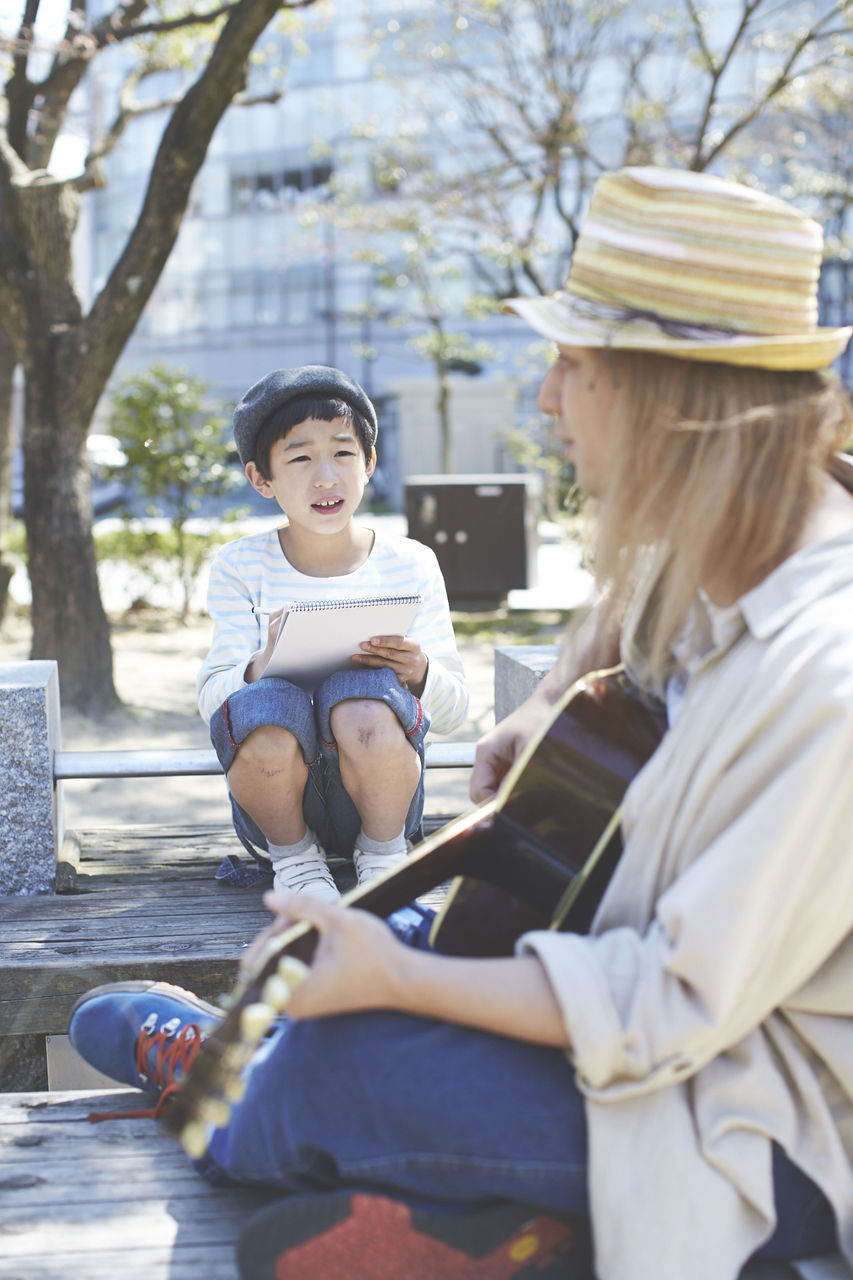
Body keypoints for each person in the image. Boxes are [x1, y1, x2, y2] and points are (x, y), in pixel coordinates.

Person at [70, 168, 853, 1280]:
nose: (543, 397)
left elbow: (665, 1007)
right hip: (625, 1001)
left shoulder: (826, 677)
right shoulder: (764, 523)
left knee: (334, 1063)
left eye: (572, 365)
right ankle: (477, 1204)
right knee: (381, 938)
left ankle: (221, 1070)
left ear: (666, 395)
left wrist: (396, 985)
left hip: (749, 1117)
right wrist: (547, 704)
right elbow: (631, 593)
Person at [196, 365, 468, 900]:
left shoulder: (411, 563)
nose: (326, 477)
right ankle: (297, 865)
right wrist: (260, 665)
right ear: (261, 479)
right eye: (300, 458)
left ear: (369, 463)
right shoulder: (239, 566)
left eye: (343, 453)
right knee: (266, 702)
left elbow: (456, 711)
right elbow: (212, 704)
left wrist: (420, 673)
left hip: (388, 808)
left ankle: (384, 858)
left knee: (362, 697)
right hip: (276, 814)